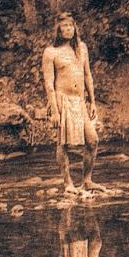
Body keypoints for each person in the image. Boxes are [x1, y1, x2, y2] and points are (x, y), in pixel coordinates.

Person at [42, 12, 106, 194]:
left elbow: (87, 75)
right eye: (64, 26)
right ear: (58, 30)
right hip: (62, 100)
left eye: (71, 25)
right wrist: (54, 110)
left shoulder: (82, 48)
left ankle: (87, 180)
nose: (68, 29)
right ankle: (67, 183)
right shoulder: (51, 52)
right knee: (63, 144)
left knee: (92, 140)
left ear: (75, 28)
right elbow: (49, 84)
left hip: (79, 102)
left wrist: (92, 102)